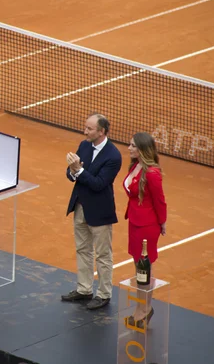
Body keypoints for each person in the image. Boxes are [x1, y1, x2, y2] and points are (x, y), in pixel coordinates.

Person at [61, 113, 122, 310]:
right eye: (85, 127)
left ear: (102, 131)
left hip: (100, 211)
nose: (85, 131)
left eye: (89, 129)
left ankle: (104, 294)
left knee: (103, 255)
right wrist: (72, 171)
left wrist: (78, 170)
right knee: (83, 249)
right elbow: (72, 174)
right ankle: (84, 289)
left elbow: (99, 184)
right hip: (80, 207)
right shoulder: (85, 145)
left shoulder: (113, 156)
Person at [123, 132, 167, 328]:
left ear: (142, 149)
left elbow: (159, 200)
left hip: (147, 226)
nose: (129, 148)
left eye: (133, 146)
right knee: (138, 267)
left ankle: (144, 310)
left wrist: (162, 222)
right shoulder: (135, 165)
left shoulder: (152, 173)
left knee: (144, 269)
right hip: (135, 221)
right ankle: (141, 308)